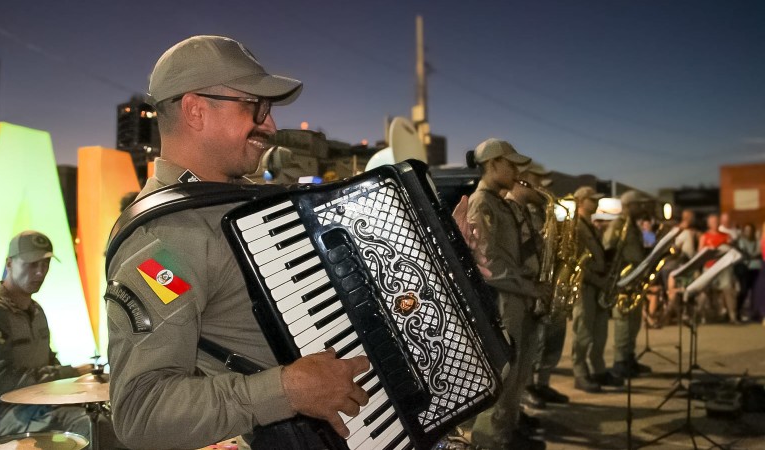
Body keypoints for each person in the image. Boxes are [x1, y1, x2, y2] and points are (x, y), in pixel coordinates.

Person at [104, 35, 485, 450]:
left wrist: (439, 254)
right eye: (256, 107)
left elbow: (350, 296)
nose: (269, 125)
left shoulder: (256, 206)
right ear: (196, 110)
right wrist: (285, 391)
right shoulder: (164, 244)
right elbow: (139, 411)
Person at [0, 231, 94, 443]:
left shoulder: (35, 310)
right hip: (0, 416)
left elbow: (47, 360)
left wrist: (81, 382)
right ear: (9, 264)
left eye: (45, 264)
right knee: (87, 427)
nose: (40, 272)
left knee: (101, 417)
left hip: (39, 406)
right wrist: (67, 372)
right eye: (31, 264)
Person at [467, 138, 547, 450]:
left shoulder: (500, 203)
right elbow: (488, 264)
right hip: (503, 303)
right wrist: (531, 287)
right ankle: (489, 442)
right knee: (503, 376)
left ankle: (507, 433)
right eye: (510, 164)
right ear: (492, 164)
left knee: (519, 372)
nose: (515, 171)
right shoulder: (482, 203)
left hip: (518, 297)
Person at [517, 163, 570, 409]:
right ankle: (528, 388)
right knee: (531, 343)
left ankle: (543, 384)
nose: (544, 187)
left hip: (547, 281)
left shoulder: (543, 210)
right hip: (531, 284)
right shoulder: (521, 210)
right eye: (538, 180)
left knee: (551, 337)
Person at [570, 187, 624, 392]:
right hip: (586, 286)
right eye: (592, 200)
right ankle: (580, 373)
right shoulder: (576, 226)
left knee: (599, 332)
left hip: (598, 285)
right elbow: (577, 263)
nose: (596, 203)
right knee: (583, 331)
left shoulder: (590, 226)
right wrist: (597, 279)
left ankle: (598, 369)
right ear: (581, 201)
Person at [604, 190, 650, 379]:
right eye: (637, 205)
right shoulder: (618, 225)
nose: (641, 208)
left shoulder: (632, 226)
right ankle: (620, 360)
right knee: (623, 321)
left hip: (634, 279)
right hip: (623, 279)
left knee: (634, 321)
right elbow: (608, 247)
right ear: (629, 206)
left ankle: (629, 356)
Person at [697, 214, 738, 323]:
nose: (715, 224)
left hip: (723, 267)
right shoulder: (704, 236)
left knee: (728, 288)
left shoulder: (726, 236)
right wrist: (707, 250)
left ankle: (732, 316)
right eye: (713, 222)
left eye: (716, 221)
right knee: (703, 290)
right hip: (709, 267)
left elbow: (732, 250)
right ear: (709, 224)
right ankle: (700, 316)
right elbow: (699, 253)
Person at [735, 223, 761, 321]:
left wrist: (752, 255)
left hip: (756, 268)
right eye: (746, 230)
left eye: (750, 230)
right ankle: (738, 311)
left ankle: (755, 313)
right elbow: (745, 253)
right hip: (745, 269)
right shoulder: (741, 241)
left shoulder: (757, 241)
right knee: (744, 290)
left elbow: (758, 253)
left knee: (756, 291)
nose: (748, 232)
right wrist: (752, 256)